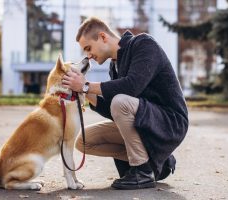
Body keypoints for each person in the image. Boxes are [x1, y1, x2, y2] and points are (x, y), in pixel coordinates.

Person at [62, 17, 188, 190]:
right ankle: (155, 163)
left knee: (121, 101)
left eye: (88, 48)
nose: (88, 56)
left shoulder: (143, 44)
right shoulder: (114, 66)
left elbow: (131, 86)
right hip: (145, 122)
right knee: (84, 141)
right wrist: (86, 93)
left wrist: (85, 85)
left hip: (170, 122)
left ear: (103, 37)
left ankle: (142, 171)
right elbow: (113, 111)